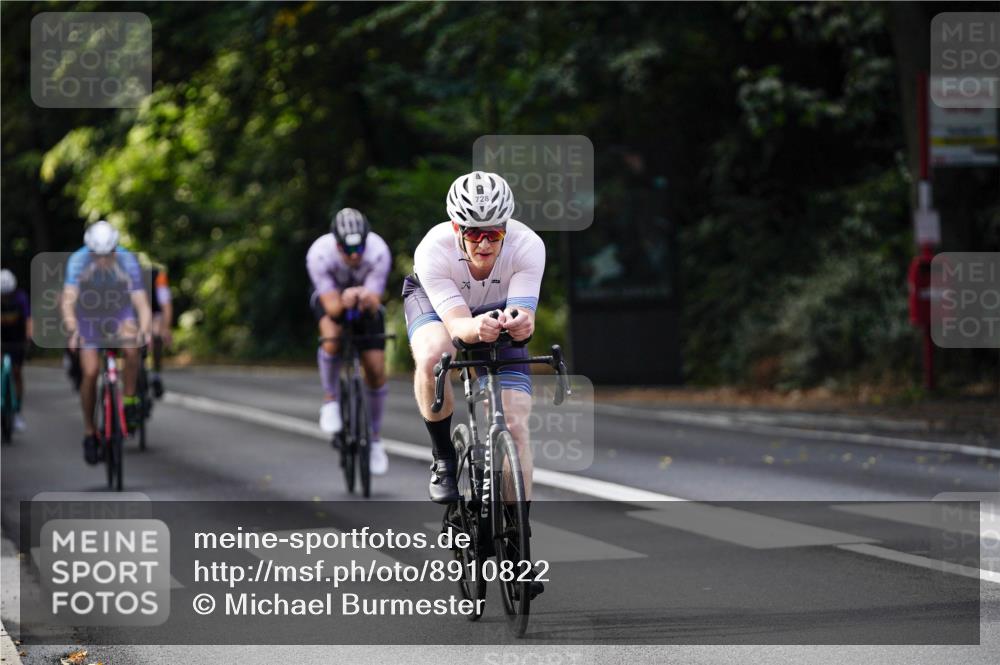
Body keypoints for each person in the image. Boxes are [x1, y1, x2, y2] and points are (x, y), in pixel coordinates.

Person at [403, 171, 544, 504]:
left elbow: (524, 315)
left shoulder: (528, 246)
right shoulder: (433, 251)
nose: (484, 244)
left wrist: (522, 325)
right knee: (435, 354)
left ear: (506, 228)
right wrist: (476, 327)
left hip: (494, 310)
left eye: (494, 234)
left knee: (516, 424)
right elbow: (457, 328)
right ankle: (443, 458)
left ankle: (514, 527)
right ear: (456, 228)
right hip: (440, 307)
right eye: (475, 233)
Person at [306, 208, 392, 475]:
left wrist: (366, 300)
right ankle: (330, 399)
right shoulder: (319, 253)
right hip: (331, 298)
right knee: (331, 337)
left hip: (364, 302)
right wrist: (343, 302)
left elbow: (375, 300)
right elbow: (332, 308)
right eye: (347, 248)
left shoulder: (379, 251)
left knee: (376, 370)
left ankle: (375, 440)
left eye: (359, 248)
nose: (354, 255)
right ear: (336, 243)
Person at [60, 221, 152, 464]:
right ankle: (90, 431)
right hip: (88, 316)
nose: (103, 260)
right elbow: (68, 302)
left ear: (115, 249)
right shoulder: (78, 261)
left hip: (118, 312)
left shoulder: (126, 259)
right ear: (89, 251)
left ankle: (130, 400)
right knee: (90, 372)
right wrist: (73, 330)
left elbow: (141, 301)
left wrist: (145, 329)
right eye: (97, 255)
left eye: (108, 254)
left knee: (132, 349)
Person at [1, 269, 32, 431]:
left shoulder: (20, 297)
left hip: (16, 340)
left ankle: (17, 410)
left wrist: (29, 337)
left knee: (17, 372)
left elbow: (28, 319)